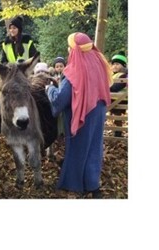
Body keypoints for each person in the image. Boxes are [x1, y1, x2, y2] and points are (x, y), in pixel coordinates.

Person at [44, 32, 111, 198]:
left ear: (75, 50)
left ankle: (75, 183)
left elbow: (60, 99)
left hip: (82, 116)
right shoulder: (99, 63)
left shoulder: (74, 71)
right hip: (98, 112)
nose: (68, 50)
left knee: (78, 149)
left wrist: (49, 89)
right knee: (93, 148)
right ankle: (93, 185)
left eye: (70, 47)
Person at [109, 51, 128, 137]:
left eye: (117, 64)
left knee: (117, 115)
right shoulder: (113, 75)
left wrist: (105, 87)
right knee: (116, 115)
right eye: (113, 64)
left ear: (123, 65)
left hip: (120, 100)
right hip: (114, 99)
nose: (114, 66)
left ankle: (118, 132)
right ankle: (117, 131)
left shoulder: (124, 76)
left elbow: (115, 88)